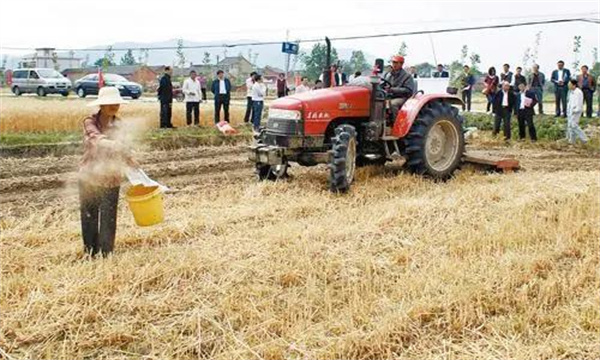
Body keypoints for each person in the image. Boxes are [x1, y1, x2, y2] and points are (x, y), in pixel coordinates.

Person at [79, 86, 137, 257]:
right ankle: (90, 252)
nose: (114, 106)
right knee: (89, 215)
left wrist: (130, 158)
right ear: (101, 106)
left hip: (111, 176)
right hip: (90, 174)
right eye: (109, 103)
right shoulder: (90, 122)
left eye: (116, 103)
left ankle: (106, 253)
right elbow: (95, 138)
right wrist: (114, 145)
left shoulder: (120, 124)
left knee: (109, 217)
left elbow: (126, 146)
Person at [383, 55, 415, 121]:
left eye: (396, 62)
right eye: (393, 62)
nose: (394, 64)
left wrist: (392, 90)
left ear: (401, 64)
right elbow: (384, 84)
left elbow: (408, 90)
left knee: (393, 104)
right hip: (389, 96)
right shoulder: (388, 75)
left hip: (402, 97)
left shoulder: (407, 76)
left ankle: (396, 123)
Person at [566, 79, 587, 144]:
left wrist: (576, 110)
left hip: (575, 111)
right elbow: (570, 101)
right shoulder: (571, 92)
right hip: (570, 111)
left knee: (574, 125)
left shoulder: (578, 92)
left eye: (570, 84)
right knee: (570, 126)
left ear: (574, 85)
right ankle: (572, 141)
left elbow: (579, 102)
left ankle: (584, 139)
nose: (568, 85)